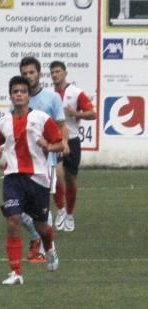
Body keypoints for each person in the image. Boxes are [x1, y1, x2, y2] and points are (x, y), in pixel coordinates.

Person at [0, 76, 64, 285]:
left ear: (28, 96)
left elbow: (60, 145)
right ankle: (16, 273)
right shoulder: (3, 122)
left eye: (22, 91)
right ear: (11, 95)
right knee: (13, 220)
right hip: (13, 178)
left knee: (42, 228)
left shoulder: (41, 118)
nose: (19, 95)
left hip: (38, 180)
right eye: (15, 91)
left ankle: (49, 249)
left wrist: (47, 145)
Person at [18, 56, 66, 265]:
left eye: (32, 72)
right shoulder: (19, 100)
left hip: (46, 161)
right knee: (15, 210)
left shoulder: (51, 99)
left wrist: (61, 145)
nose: (28, 76)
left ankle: (48, 248)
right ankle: (37, 237)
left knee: (41, 207)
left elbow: (61, 125)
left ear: (39, 74)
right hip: (22, 162)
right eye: (25, 73)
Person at [49, 60, 96, 233]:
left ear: (65, 73)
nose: (55, 75)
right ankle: (60, 209)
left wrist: (75, 113)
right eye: (52, 72)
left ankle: (69, 214)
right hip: (55, 141)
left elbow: (92, 114)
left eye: (58, 71)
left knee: (70, 179)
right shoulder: (48, 95)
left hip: (73, 140)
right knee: (56, 174)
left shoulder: (76, 93)